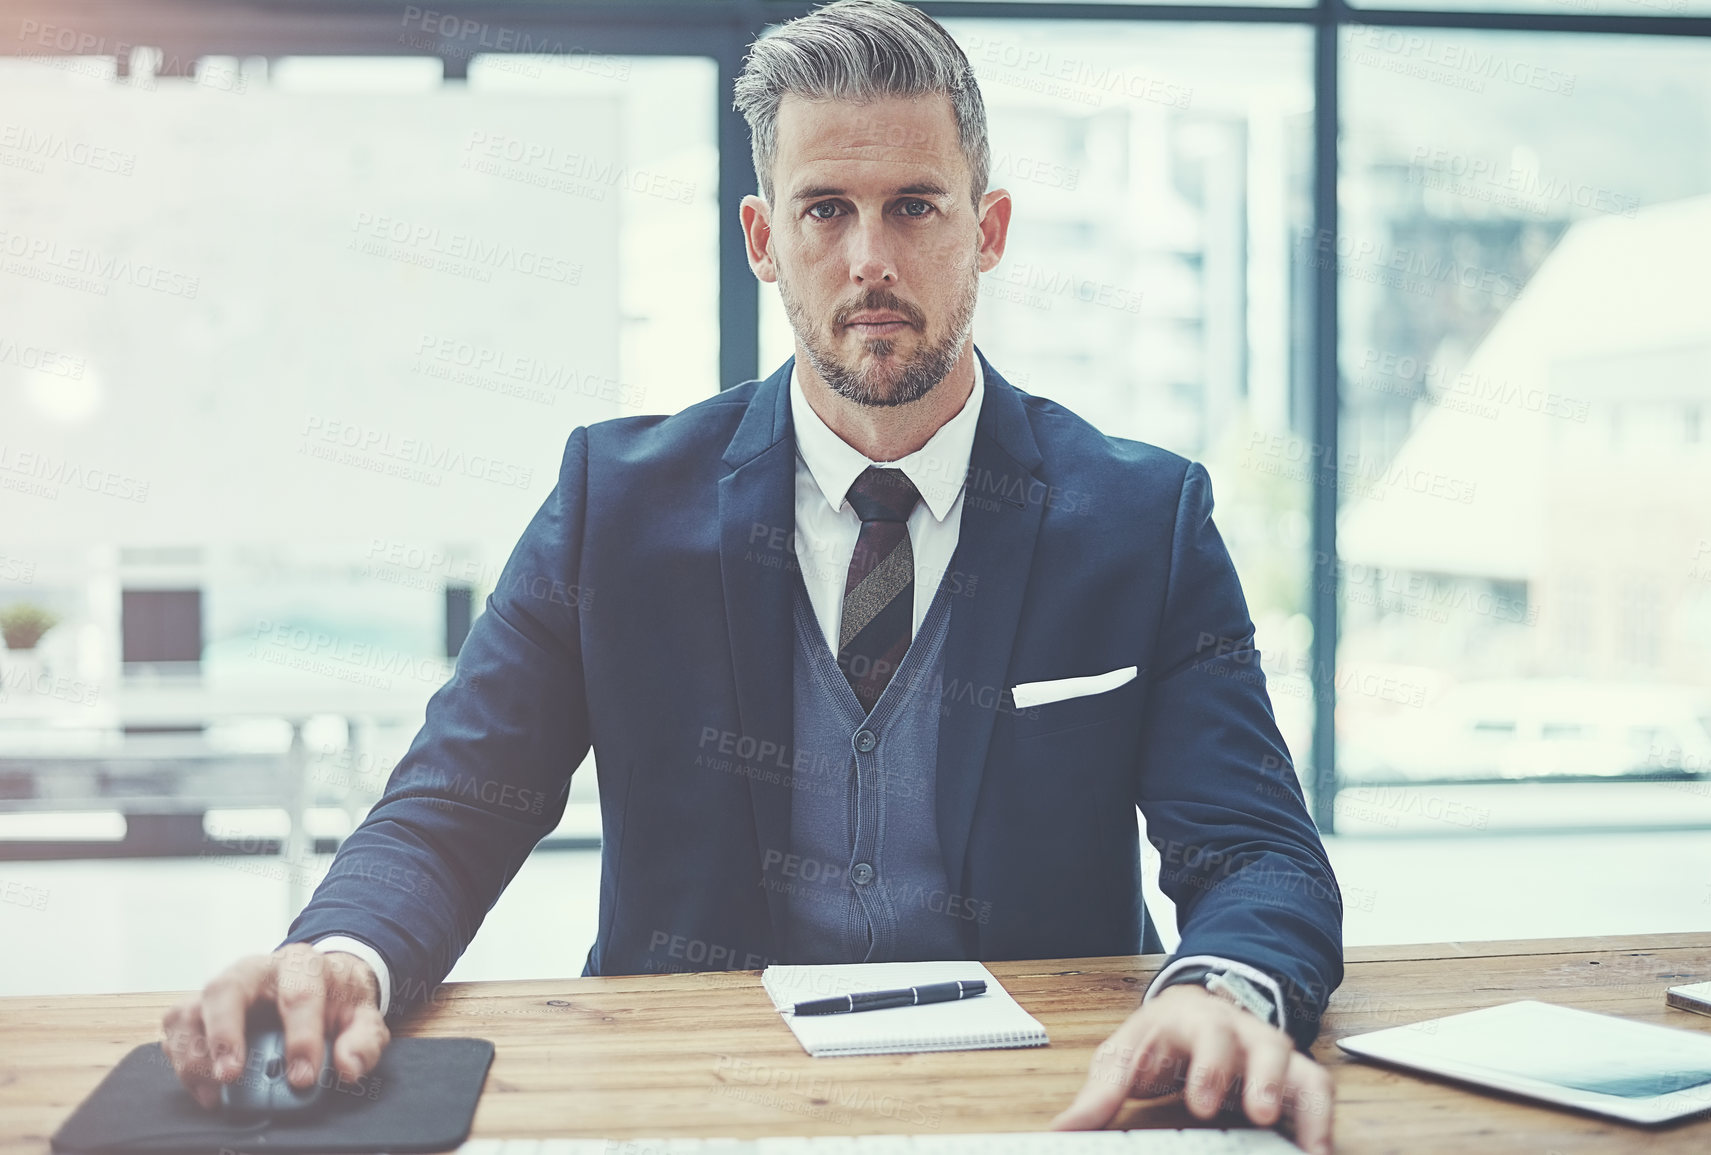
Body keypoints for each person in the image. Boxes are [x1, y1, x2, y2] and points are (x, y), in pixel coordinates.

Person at [161, 2, 1343, 1150]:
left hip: (1050, 1100)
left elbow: (1256, 851)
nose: (869, 260)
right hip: (694, 1098)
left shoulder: (1143, 518)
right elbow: (455, 805)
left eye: (914, 207)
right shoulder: (612, 505)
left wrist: (1222, 995)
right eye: (824, 209)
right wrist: (338, 956)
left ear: (987, 230)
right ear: (763, 239)